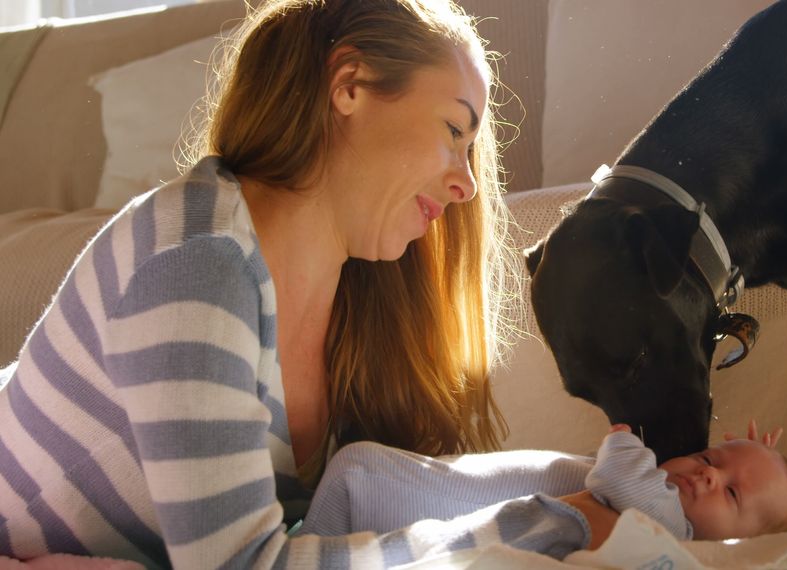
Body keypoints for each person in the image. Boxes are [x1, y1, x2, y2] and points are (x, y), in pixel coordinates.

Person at [0, 0, 609, 567]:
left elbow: (400, 491)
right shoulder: (195, 262)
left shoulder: (354, 303)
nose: (466, 186)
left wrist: (618, 483)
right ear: (349, 85)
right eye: (454, 130)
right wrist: (554, 523)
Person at [297, 421, 787, 542]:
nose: (707, 472)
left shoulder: (668, 531)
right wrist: (751, 467)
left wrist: (622, 439)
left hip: (419, 509)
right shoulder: (659, 507)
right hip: (428, 496)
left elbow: (617, 472)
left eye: (730, 492)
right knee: (354, 471)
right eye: (709, 457)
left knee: (354, 472)